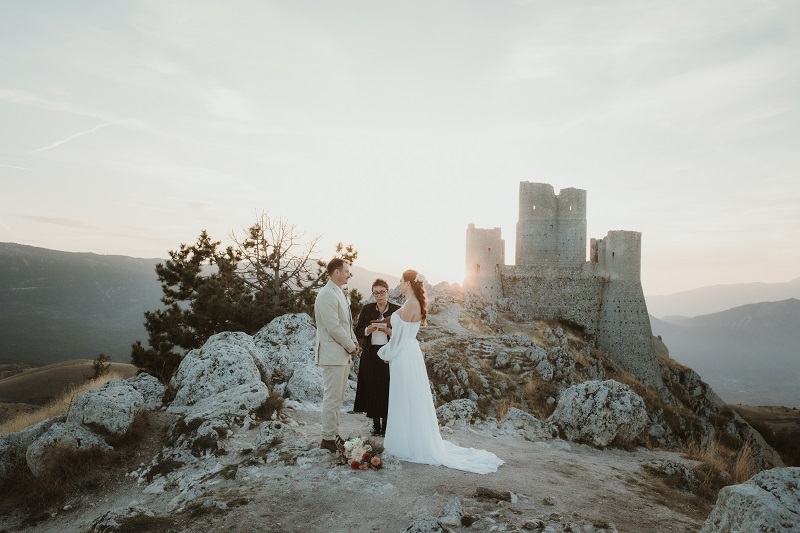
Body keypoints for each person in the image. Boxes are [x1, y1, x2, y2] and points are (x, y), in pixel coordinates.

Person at [378, 269, 504, 474]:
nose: (399, 284)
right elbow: (402, 334)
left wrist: (387, 353)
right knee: (407, 396)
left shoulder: (410, 304)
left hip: (403, 353)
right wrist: (389, 333)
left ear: (409, 283)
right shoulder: (412, 303)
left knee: (404, 396)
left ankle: (406, 443)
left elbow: (400, 339)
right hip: (408, 352)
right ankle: (409, 439)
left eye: (401, 281)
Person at [314, 258, 360, 453]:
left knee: (339, 398)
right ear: (336, 273)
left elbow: (346, 323)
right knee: (331, 397)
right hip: (333, 354)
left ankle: (334, 433)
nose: (349, 274)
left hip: (342, 354)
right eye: (346, 271)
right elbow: (333, 327)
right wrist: (350, 346)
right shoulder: (326, 295)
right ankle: (327, 438)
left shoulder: (339, 292)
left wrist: (354, 341)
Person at [353, 279, 401, 436]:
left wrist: (389, 332)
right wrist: (368, 330)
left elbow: (402, 334)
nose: (379, 295)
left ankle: (387, 425)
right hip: (370, 352)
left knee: (387, 387)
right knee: (372, 387)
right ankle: (375, 425)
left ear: (388, 292)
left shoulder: (396, 310)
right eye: (376, 292)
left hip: (389, 352)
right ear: (373, 293)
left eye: (382, 292)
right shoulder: (367, 309)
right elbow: (358, 330)